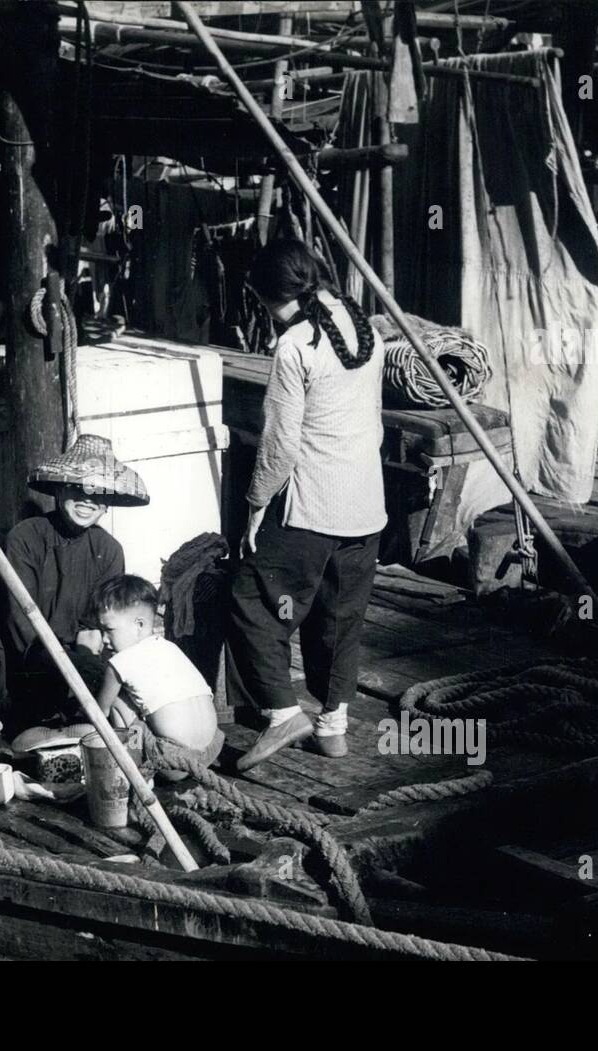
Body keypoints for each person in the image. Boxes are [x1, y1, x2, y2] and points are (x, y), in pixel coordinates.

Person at [227, 239, 386, 771]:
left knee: (252, 600)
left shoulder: (295, 345)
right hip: (366, 503)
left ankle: (281, 713)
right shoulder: (364, 328)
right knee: (341, 618)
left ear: (262, 295)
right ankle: (333, 728)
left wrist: (254, 505)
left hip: (314, 506)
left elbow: (280, 446)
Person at [0, 433, 149, 737]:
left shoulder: (109, 549)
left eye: (97, 493)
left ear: (108, 503)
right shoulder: (25, 537)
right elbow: (21, 623)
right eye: (77, 488)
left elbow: (96, 627)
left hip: (81, 659)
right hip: (32, 659)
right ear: (58, 489)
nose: (86, 500)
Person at [93, 575, 223, 776]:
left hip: (172, 762)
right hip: (212, 749)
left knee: (118, 700)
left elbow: (99, 713)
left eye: (109, 630)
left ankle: (131, 761)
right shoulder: (169, 647)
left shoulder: (119, 662)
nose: (104, 639)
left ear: (139, 625)